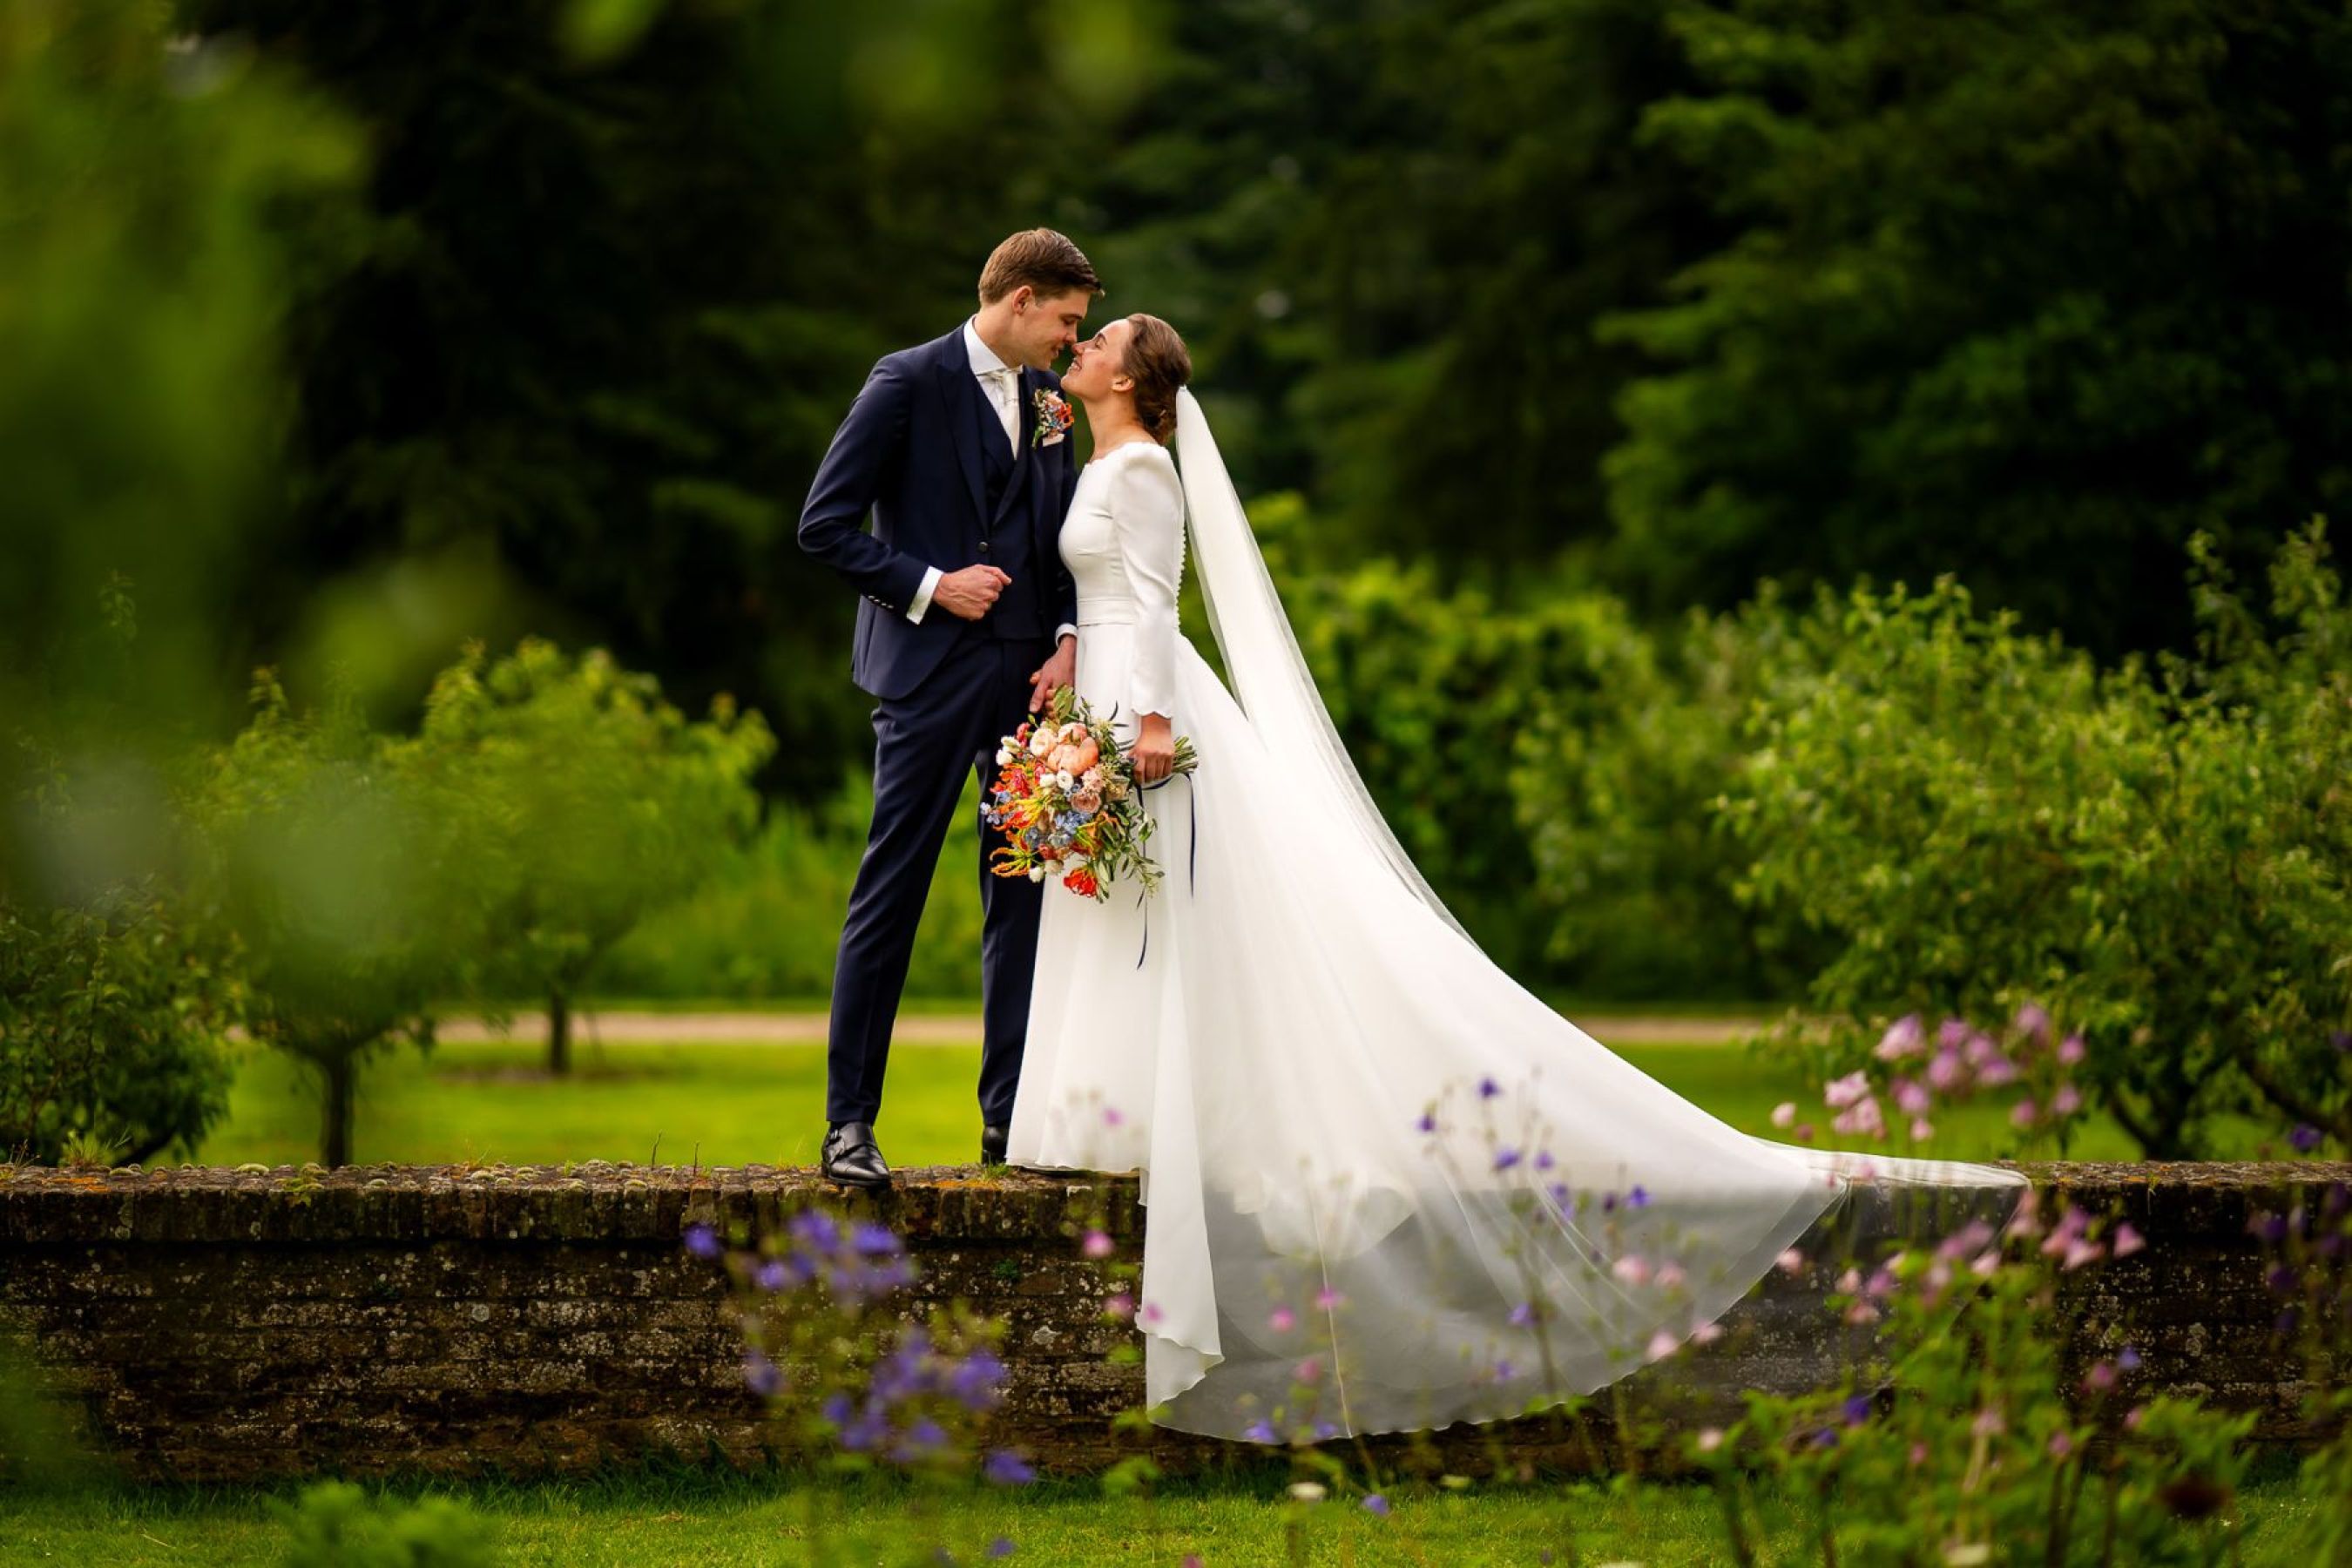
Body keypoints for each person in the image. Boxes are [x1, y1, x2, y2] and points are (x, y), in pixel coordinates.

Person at [1007, 313, 2027, 1441]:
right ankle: (1117, 1126)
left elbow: (1151, 600)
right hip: (1094, 691)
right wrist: (1069, 665)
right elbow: (1097, 597)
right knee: (1124, 913)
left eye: (1102, 340)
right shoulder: (1096, 454)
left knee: (1177, 918)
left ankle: (1188, 1133)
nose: (1084, 347)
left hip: (1144, 705)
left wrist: (1148, 717)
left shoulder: (1144, 467)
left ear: (1137, 381)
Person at [796, 229, 1099, 1187]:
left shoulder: (1052, 403)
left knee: (1023, 901)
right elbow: (824, 528)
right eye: (1064, 319)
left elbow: (1056, 544)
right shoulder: (906, 382)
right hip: (924, 680)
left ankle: (1009, 1125)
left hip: (1025, 687)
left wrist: (1062, 640)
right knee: (893, 890)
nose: (1069, 339)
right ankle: (849, 1126)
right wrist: (931, 583)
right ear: (1018, 302)